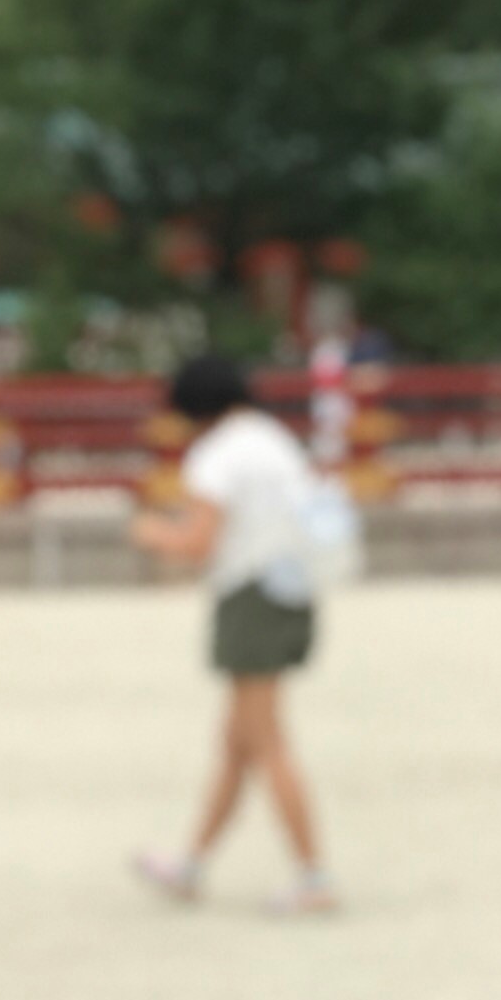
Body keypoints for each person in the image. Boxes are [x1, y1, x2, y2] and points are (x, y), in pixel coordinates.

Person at [130, 352, 334, 912]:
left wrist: (151, 533)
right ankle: (191, 864)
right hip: (293, 591)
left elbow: (198, 543)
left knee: (265, 743)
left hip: (251, 597)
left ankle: (313, 876)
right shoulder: (275, 441)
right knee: (237, 743)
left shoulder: (216, 455)